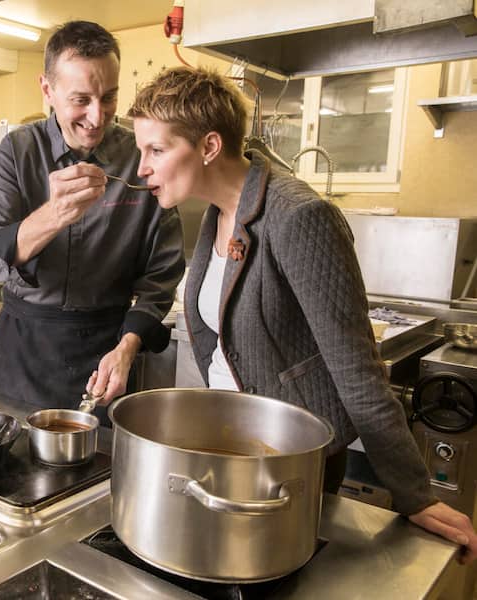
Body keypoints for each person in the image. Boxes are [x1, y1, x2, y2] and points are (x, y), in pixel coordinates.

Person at [123, 65, 477, 562]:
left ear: (209, 146)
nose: (141, 168)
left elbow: (356, 368)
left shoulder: (300, 217)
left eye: (156, 150)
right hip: (232, 447)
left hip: (288, 463)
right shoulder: (215, 213)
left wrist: (415, 494)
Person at [0, 21, 184, 413]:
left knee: (101, 452)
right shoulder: (17, 152)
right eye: (81, 100)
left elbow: (161, 276)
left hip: (107, 356)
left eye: (109, 97)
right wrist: (53, 215)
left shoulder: (140, 157)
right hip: (24, 352)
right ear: (47, 90)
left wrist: (127, 348)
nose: (97, 117)